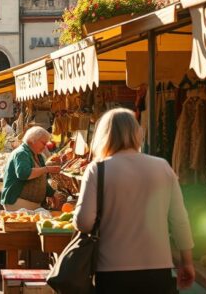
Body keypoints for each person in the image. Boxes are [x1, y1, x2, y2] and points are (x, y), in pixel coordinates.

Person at [74, 108, 195, 293]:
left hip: (112, 270)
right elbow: (180, 220)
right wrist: (187, 262)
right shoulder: (162, 166)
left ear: (104, 136)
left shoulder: (97, 169)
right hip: (158, 269)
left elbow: (83, 223)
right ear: (137, 133)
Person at [1, 127, 62, 211]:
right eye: (43, 143)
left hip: (31, 205)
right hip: (18, 203)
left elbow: (42, 179)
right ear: (32, 140)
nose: (45, 147)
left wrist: (52, 193)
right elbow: (24, 174)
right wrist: (47, 169)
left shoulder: (37, 156)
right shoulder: (21, 153)